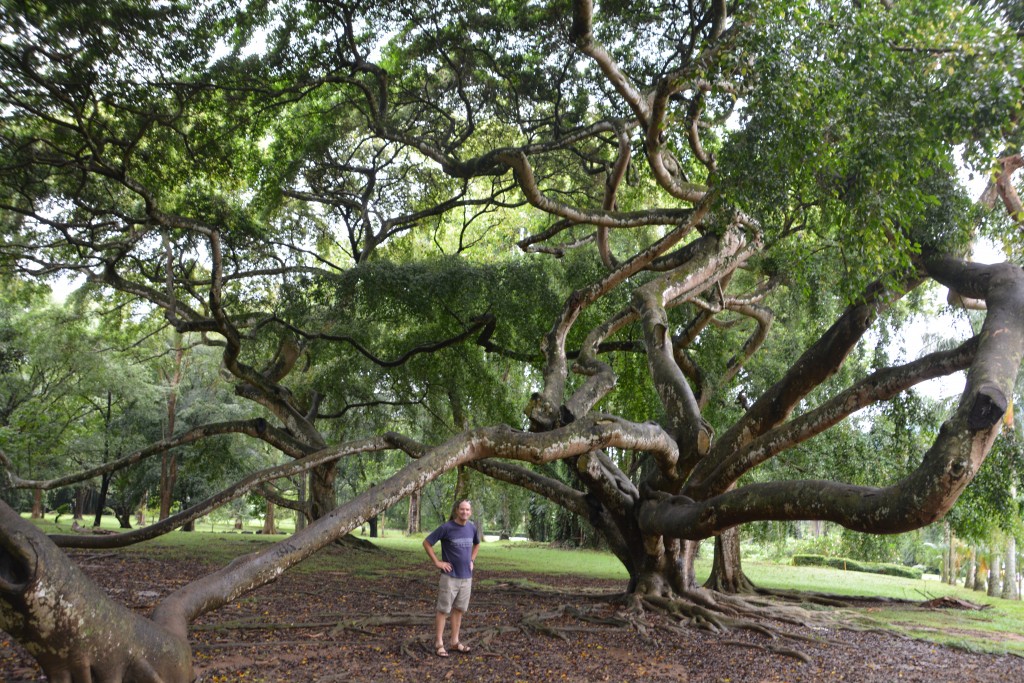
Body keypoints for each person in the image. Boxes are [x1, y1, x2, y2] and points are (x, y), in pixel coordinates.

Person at [422, 499, 481, 657]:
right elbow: (427, 543)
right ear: (457, 511)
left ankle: (455, 642)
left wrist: (472, 560)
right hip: (450, 577)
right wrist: (437, 562)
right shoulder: (446, 528)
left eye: (467, 510)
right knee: (443, 610)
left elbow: (477, 544)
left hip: (466, 577)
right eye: (462, 509)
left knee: (459, 610)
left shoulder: (471, 528)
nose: (465, 512)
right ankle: (439, 643)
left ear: (471, 512)